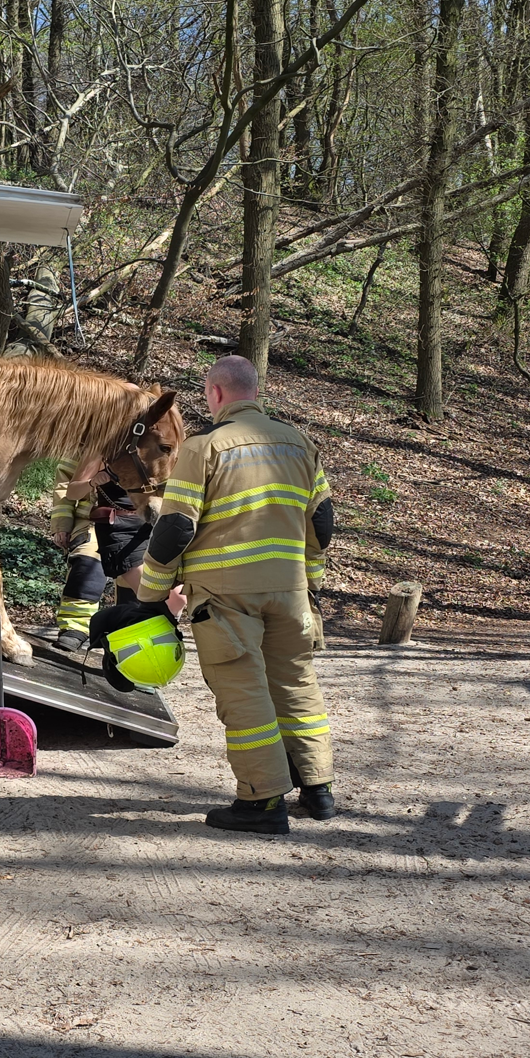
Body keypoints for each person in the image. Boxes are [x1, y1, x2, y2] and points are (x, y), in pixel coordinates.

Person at [133, 355, 336, 834]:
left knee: (244, 695)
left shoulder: (204, 448)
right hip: (289, 591)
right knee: (295, 684)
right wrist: (313, 585)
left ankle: (262, 803)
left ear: (216, 394)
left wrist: (151, 594)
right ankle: (318, 789)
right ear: (256, 391)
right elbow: (321, 524)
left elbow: (176, 526)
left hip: (226, 598)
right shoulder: (301, 444)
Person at [49, 458, 153, 652]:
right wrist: (61, 525)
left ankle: (126, 632)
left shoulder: (148, 448)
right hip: (93, 520)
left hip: (138, 526)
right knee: (88, 562)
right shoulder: (88, 449)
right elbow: (65, 489)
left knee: (133, 574)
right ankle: (75, 627)